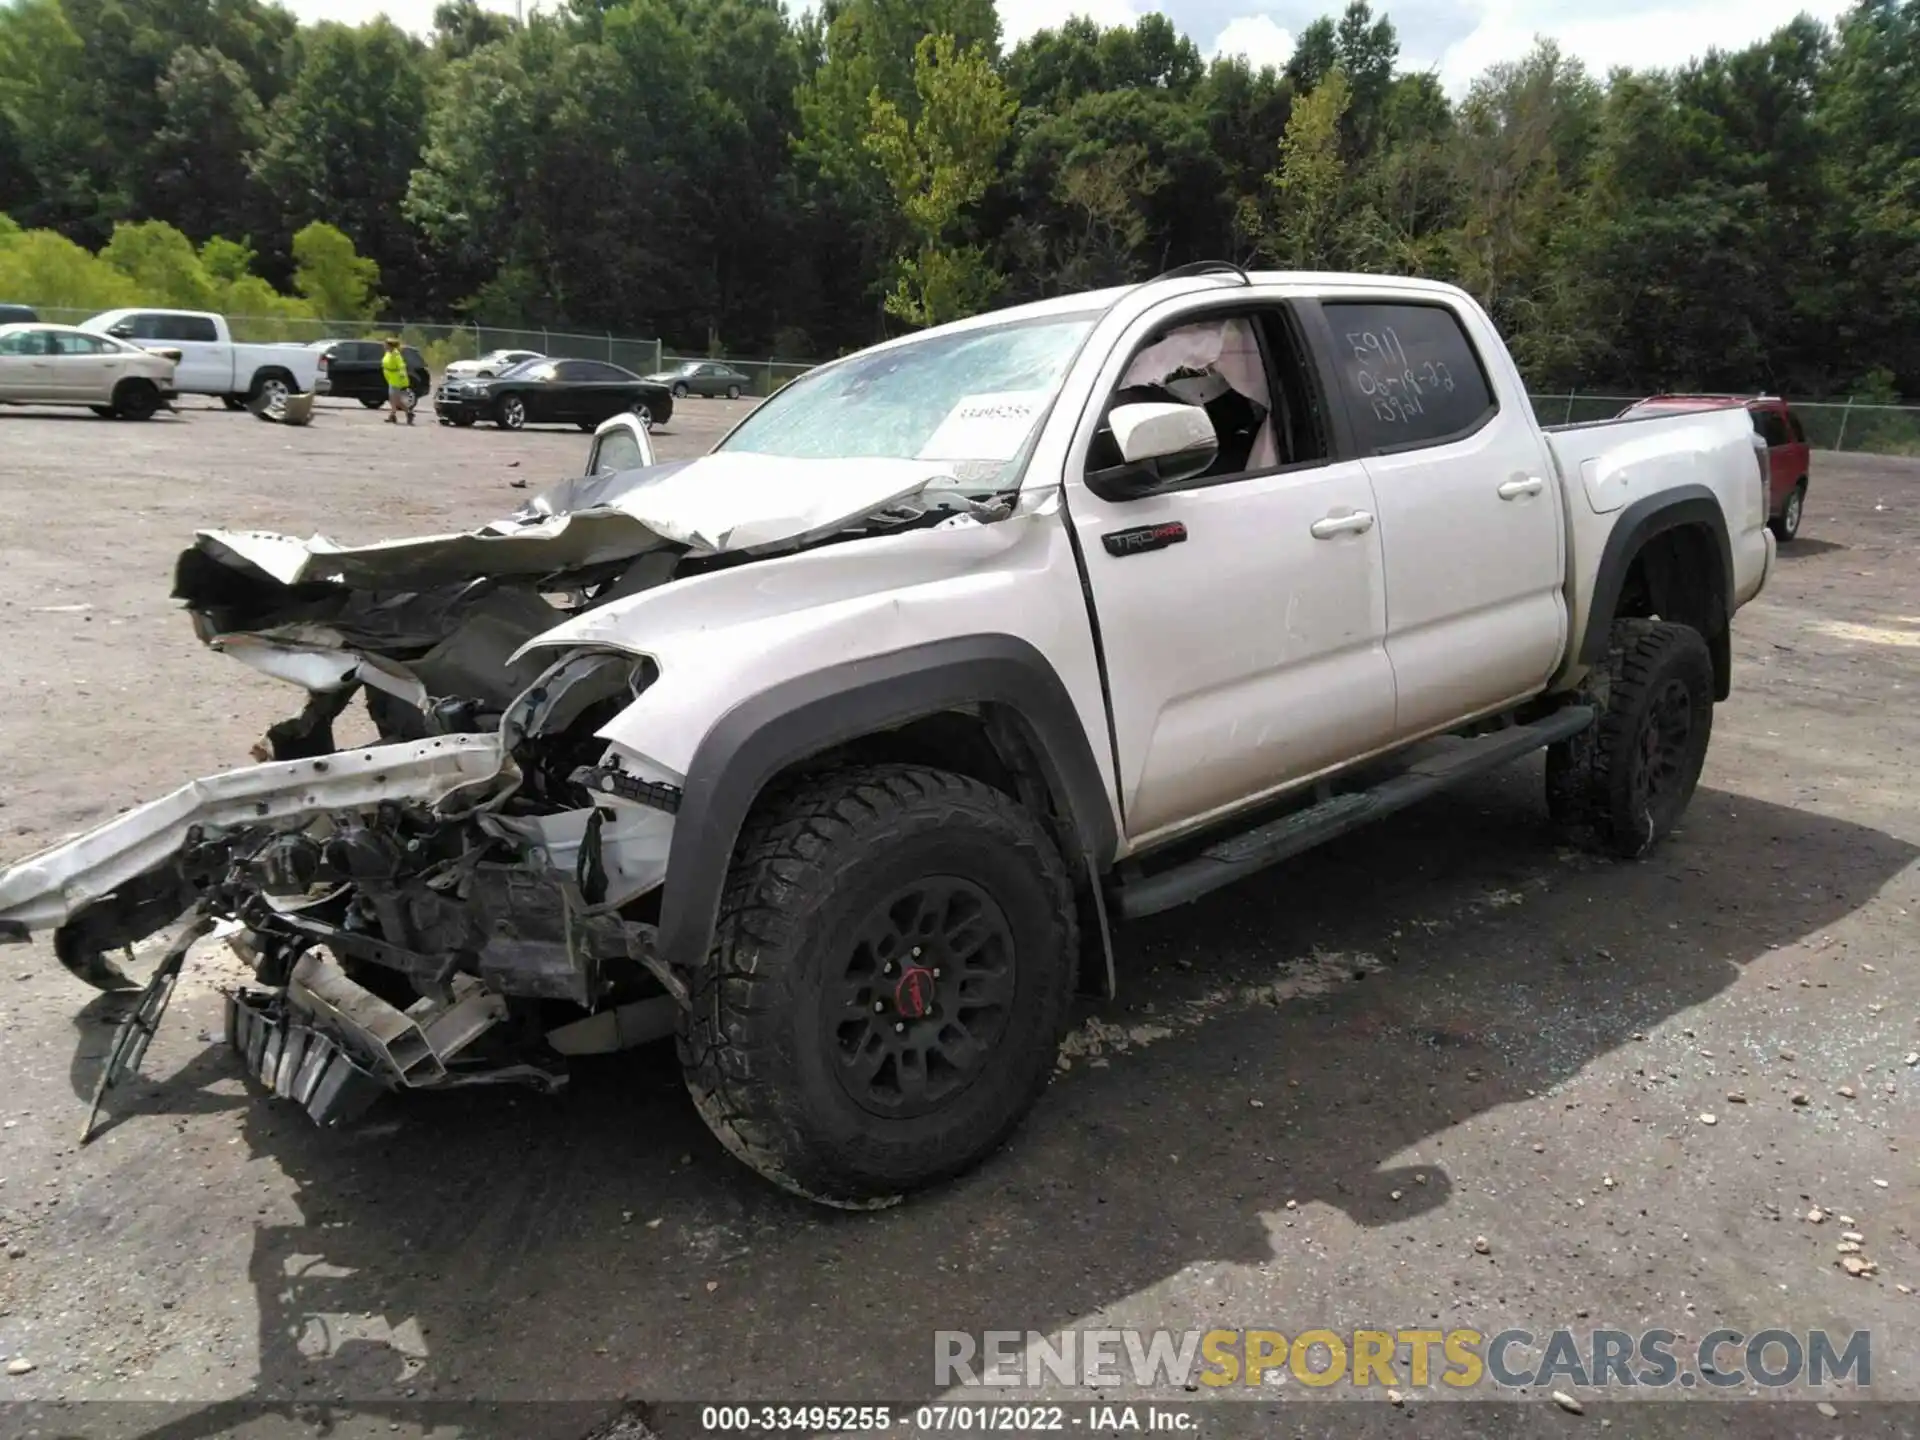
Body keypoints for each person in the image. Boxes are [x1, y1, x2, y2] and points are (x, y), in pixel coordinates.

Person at [380, 338, 413, 425]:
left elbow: (401, 365)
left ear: (390, 346)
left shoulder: (396, 354)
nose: (384, 346)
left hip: (396, 379)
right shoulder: (388, 353)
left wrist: (402, 374)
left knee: (395, 399)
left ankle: (405, 413)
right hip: (390, 378)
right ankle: (397, 414)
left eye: (386, 344)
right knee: (393, 399)